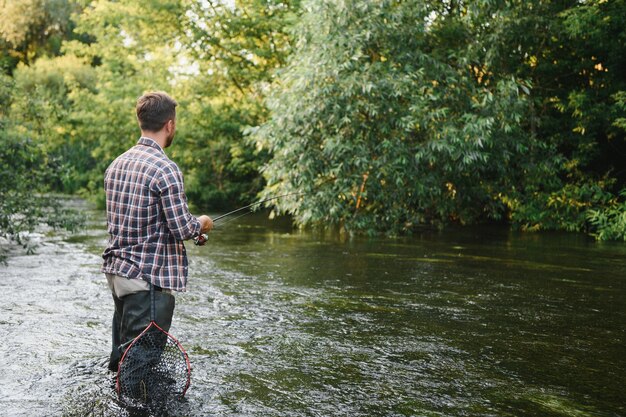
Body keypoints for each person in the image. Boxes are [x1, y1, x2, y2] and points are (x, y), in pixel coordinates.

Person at [102, 91, 213, 372]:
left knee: (122, 363)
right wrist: (202, 223)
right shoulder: (165, 169)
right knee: (139, 372)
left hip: (118, 279)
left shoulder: (116, 164)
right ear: (170, 125)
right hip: (145, 283)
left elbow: (137, 221)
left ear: (141, 122)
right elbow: (182, 227)